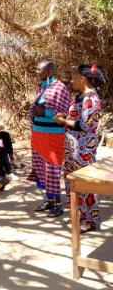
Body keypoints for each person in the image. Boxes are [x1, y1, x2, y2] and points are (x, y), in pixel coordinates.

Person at [55, 64, 107, 232]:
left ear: (82, 79)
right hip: (73, 150)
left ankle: (91, 220)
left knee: (86, 186)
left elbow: (84, 125)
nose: (71, 81)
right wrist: (65, 117)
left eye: (74, 78)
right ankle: (81, 216)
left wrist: (64, 122)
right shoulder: (80, 96)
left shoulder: (91, 98)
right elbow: (76, 117)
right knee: (76, 186)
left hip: (83, 151)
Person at [28, 61, 70, 217]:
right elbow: (36, 108)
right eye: (37, 68)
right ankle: (49, 200)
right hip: (38, 134)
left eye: (40, 69)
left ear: (50, 71)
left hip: (53, 135)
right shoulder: (43, 86)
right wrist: (36, 111)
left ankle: (58, 204)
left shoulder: (59, 88)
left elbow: (63, 111)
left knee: (52, 168)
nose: (37, 71)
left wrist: (43, 112)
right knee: (41, 167)